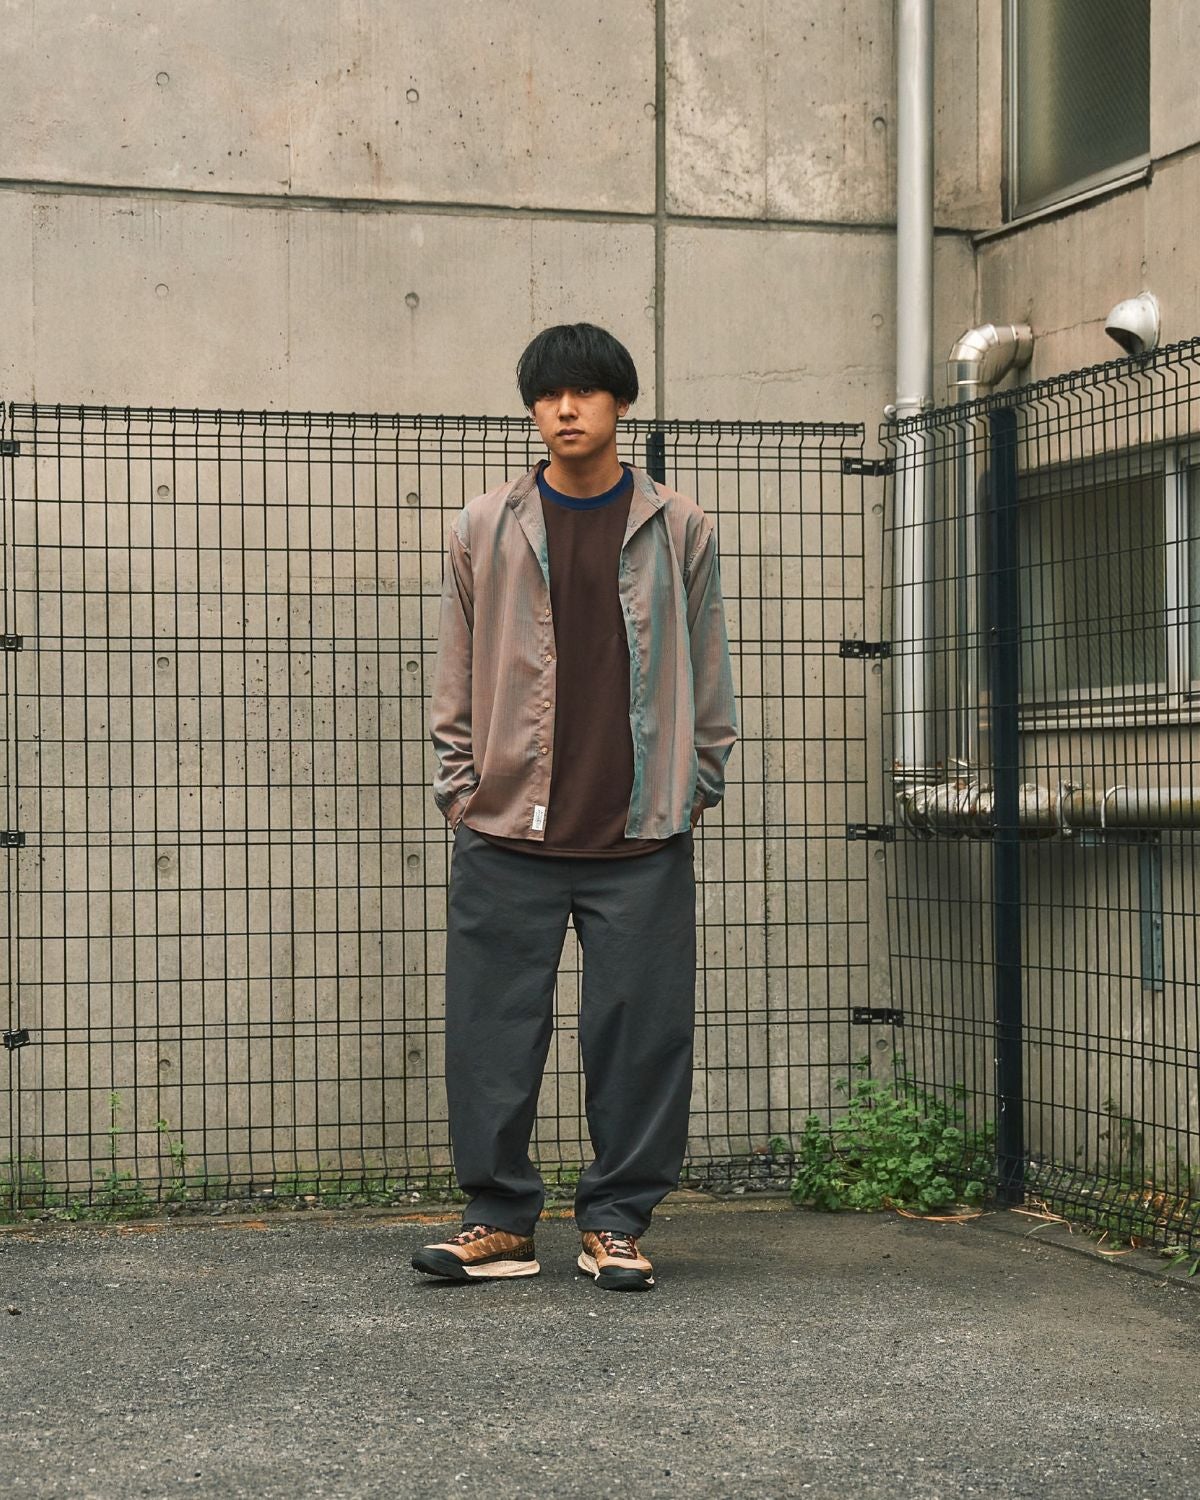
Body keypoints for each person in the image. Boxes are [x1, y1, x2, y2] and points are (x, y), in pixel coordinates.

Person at [413, 323, 737, 1291]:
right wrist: (462, 787)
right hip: (506, 828)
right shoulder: (485, 525)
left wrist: (696, 781)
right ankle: (499, 1221)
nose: (565, 409)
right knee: (491, 1035)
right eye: (548, 395)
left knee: (641, 1039)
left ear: (620, 404)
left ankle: (617, 1223)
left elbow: (708, 666)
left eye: (585, 392)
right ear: (532, 409)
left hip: (639, 834)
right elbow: (455, 666)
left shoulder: (680, 526)